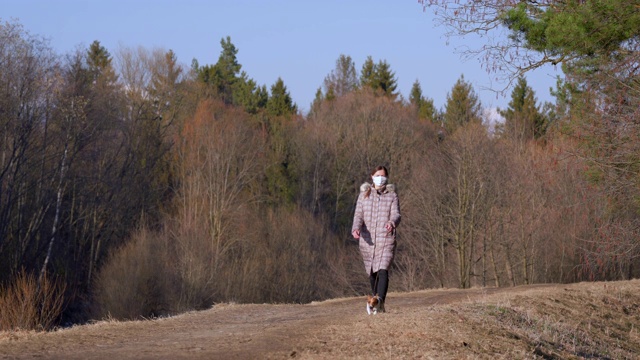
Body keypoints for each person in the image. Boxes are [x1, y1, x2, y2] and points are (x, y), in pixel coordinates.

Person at [351, 165, 401, 312]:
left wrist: (392, 223)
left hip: (385, 239)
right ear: (372, 177)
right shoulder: (363, 195)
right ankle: (375, 302)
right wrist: (356, 228)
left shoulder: (392, 196)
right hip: (368, 241)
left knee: (383, 270)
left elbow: (396, 214)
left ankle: (380, 302)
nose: (381, 178)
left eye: (383, 175)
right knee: (372, 273)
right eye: (378, 175)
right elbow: (358, 215)